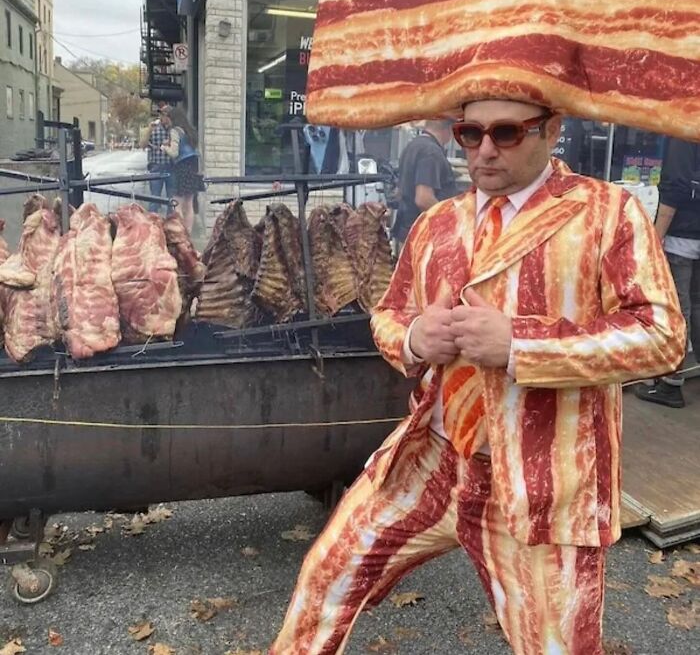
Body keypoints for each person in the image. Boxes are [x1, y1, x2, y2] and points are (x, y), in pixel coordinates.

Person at [270, 99, 685, 655]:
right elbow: (389, 314)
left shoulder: (606, 213)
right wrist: (417, 338)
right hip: (432, 458)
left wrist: (519, 344)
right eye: (470, 133)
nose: (484, 150)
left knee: (555, 646)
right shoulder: (437, 223)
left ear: (553, 130)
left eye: (507, 132)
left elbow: (661, 335)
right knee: (326, 576)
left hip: (541, 479)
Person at [636, 136, 700, 408]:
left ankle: (670, 383)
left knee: (677, 311)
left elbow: (675, 186)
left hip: (681, 235)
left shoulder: (683, 133)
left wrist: (656, 235)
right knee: (696, 307)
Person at [391, 118, 457, 244]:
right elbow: (423, 199)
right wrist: (450, 222)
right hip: (423, 236)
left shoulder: (413, 146)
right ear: (448, 129)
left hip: (408, 231)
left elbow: (399, 191)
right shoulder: (431, 152)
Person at [159, 105, 200, 233]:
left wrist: (164, 147)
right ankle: (188, 232)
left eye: (169, 118)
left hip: (181, 166)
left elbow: (174, 153)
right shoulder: (190, 131)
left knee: (177, 202)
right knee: (189, 203)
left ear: (173, 119)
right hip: (193, 165)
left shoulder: (174, 131)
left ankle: (179, 233)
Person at [140, 108, 174, 214]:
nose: (162, 117)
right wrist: (149, 130)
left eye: (164, 115)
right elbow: (142, 145)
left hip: (172, 166)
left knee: (172, 200)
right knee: (154, 198)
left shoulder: (174, 129)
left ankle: (171, 224)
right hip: (156, 166)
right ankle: (152, 225)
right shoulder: (153, 128)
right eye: (161, 115)